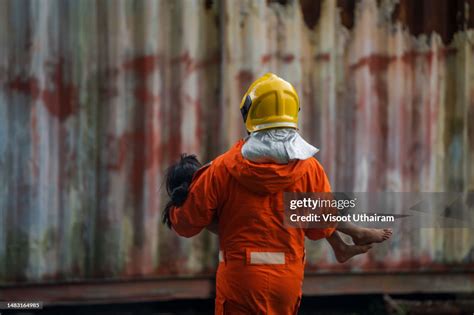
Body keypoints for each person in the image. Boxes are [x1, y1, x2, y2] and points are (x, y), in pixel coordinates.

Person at [165, 73, 391, 314]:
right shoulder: (310, 169)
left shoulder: (221, 168)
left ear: (249, 113)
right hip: (287, 280)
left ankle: (350, 238)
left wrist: (175, 207)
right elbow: (318, 229)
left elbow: (187, 224)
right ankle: (350, 239)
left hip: (240, 281)